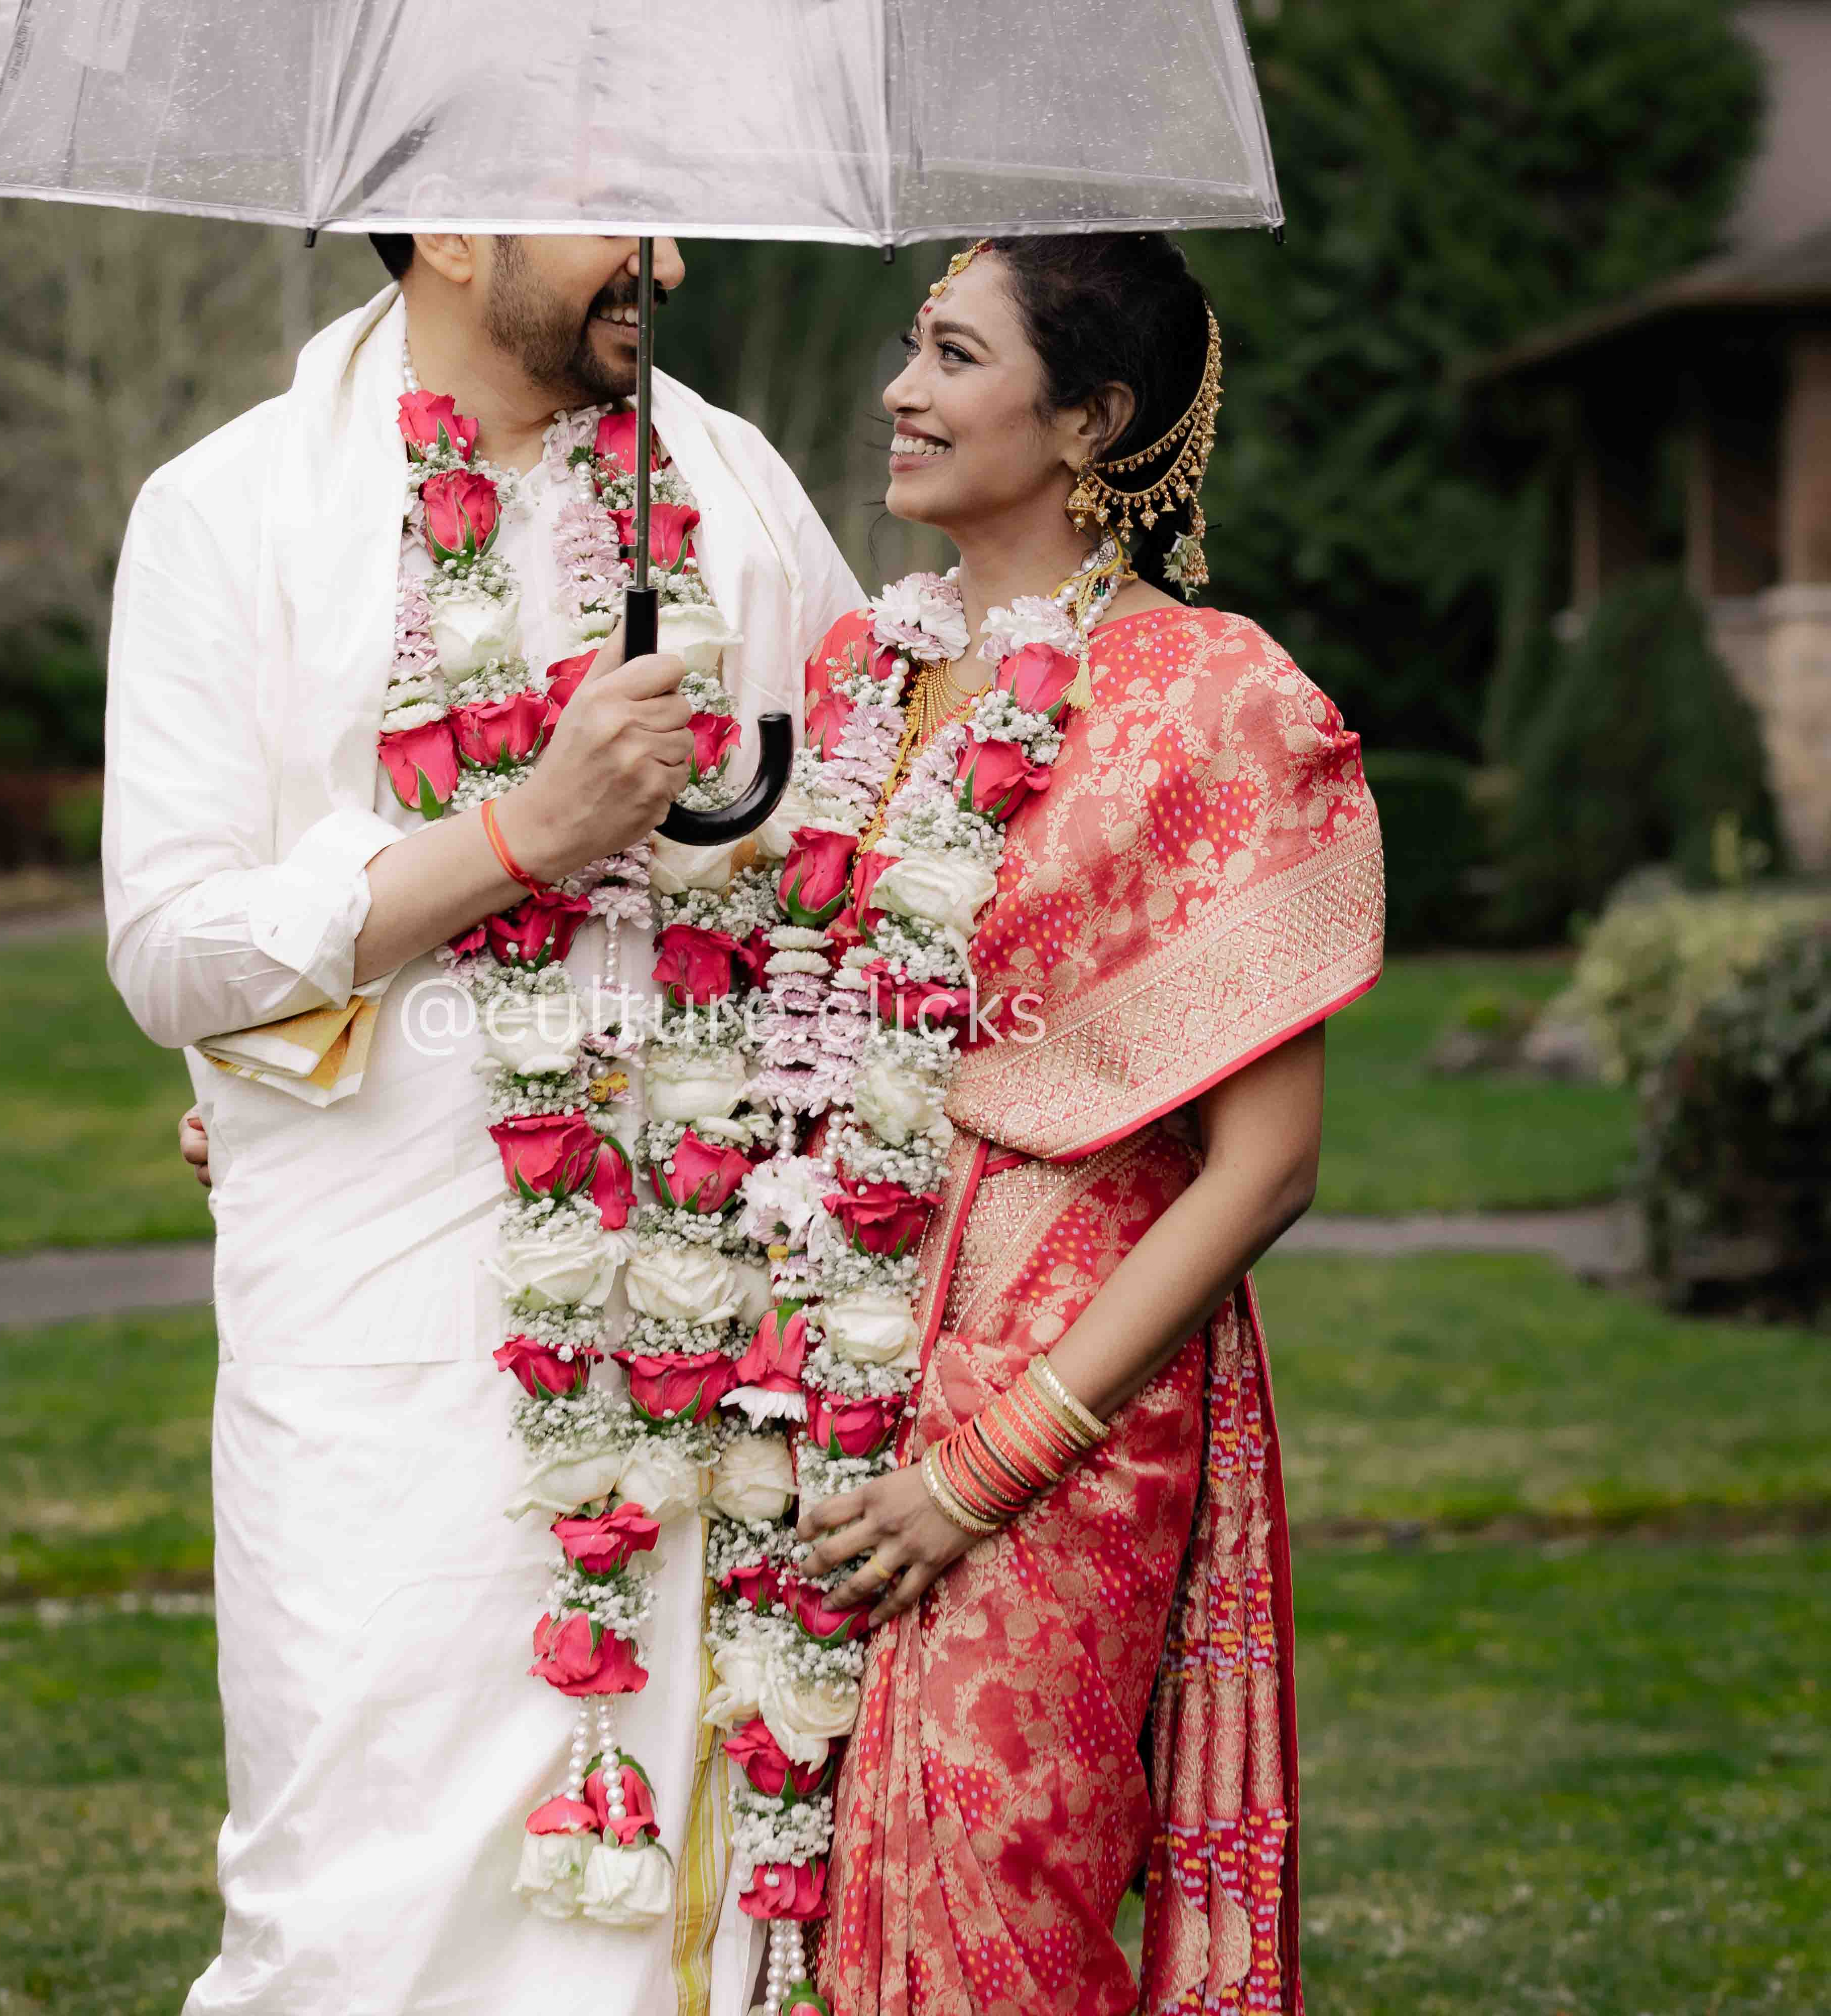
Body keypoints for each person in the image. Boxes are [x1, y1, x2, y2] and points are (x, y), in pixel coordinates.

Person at [109, 230, 863, 2016]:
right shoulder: (233, 511)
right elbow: (172, 947)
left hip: (699, 1340)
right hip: (379, 1358)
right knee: (362, 1908)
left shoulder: (736, 490)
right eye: (619, 217)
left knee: (682, 1913)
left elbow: (867, 827)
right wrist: (526, 833)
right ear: (452, 229)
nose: (668, 259)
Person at [789, 234, 1386, 2014]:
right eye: (913, 347)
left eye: (955, 357)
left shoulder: (1218, 697)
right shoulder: (859, 675)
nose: (900, 392)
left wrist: (992, 1462)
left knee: (1004, 1898)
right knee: (789, 1892)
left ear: (1091, 420)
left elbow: (1268, 1166)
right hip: (822, 1350)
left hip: (1062, 1394)